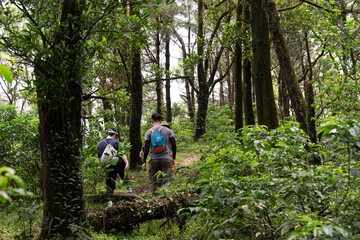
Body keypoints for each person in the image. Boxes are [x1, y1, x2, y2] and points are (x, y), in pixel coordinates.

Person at [140, 114, 176, 192]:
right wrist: (174, 158)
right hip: (166, 158)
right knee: (167, 180)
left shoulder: (149, 132)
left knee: (153, 181)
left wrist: (144, 161)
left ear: (152, 121)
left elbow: (146, 147)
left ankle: (153, 200)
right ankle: (165, 198)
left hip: (153, 159)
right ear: (161, 121)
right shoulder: (169, 131)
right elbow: (174, 144)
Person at [97, 128, 130, 208]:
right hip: (118, 164)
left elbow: (100, 158)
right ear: (115, 135)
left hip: (108, 165)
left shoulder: (99, 144)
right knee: (123, 175)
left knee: (109, 183)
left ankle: (110, 202)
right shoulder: (117, 142)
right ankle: (129, 190)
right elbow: (122, 154)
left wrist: (103, 167)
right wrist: (127, 163)